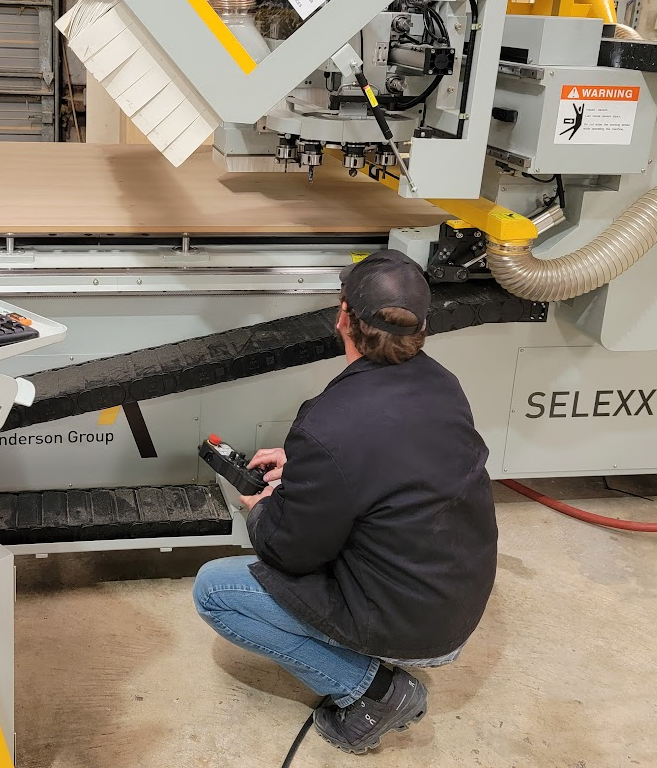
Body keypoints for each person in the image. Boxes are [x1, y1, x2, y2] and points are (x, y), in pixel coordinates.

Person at [192, 249, 498, 754]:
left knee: (216, 592)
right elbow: (390, 464)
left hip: (413, 626)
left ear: (342, 318)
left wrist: (260, 504)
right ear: (421, 329)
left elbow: (289, 553)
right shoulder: (443, 385)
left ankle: (375, 692)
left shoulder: (328, 424)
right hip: (456, 603)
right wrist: (307, 470)